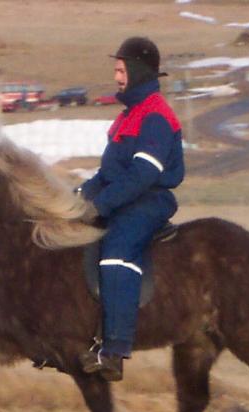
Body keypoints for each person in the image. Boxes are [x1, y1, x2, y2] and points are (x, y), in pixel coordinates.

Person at [79, 36, 185, 381]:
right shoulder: (126, 117)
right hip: (124, 196)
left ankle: (115, 349)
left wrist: (102, 205)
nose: (117, 78)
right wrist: (76, 199)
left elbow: (144, 174)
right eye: (116, 71)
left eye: (121, 70)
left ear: (138, 71)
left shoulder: (156, 116)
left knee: (116, 252)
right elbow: (107, 175)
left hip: (149, 200)